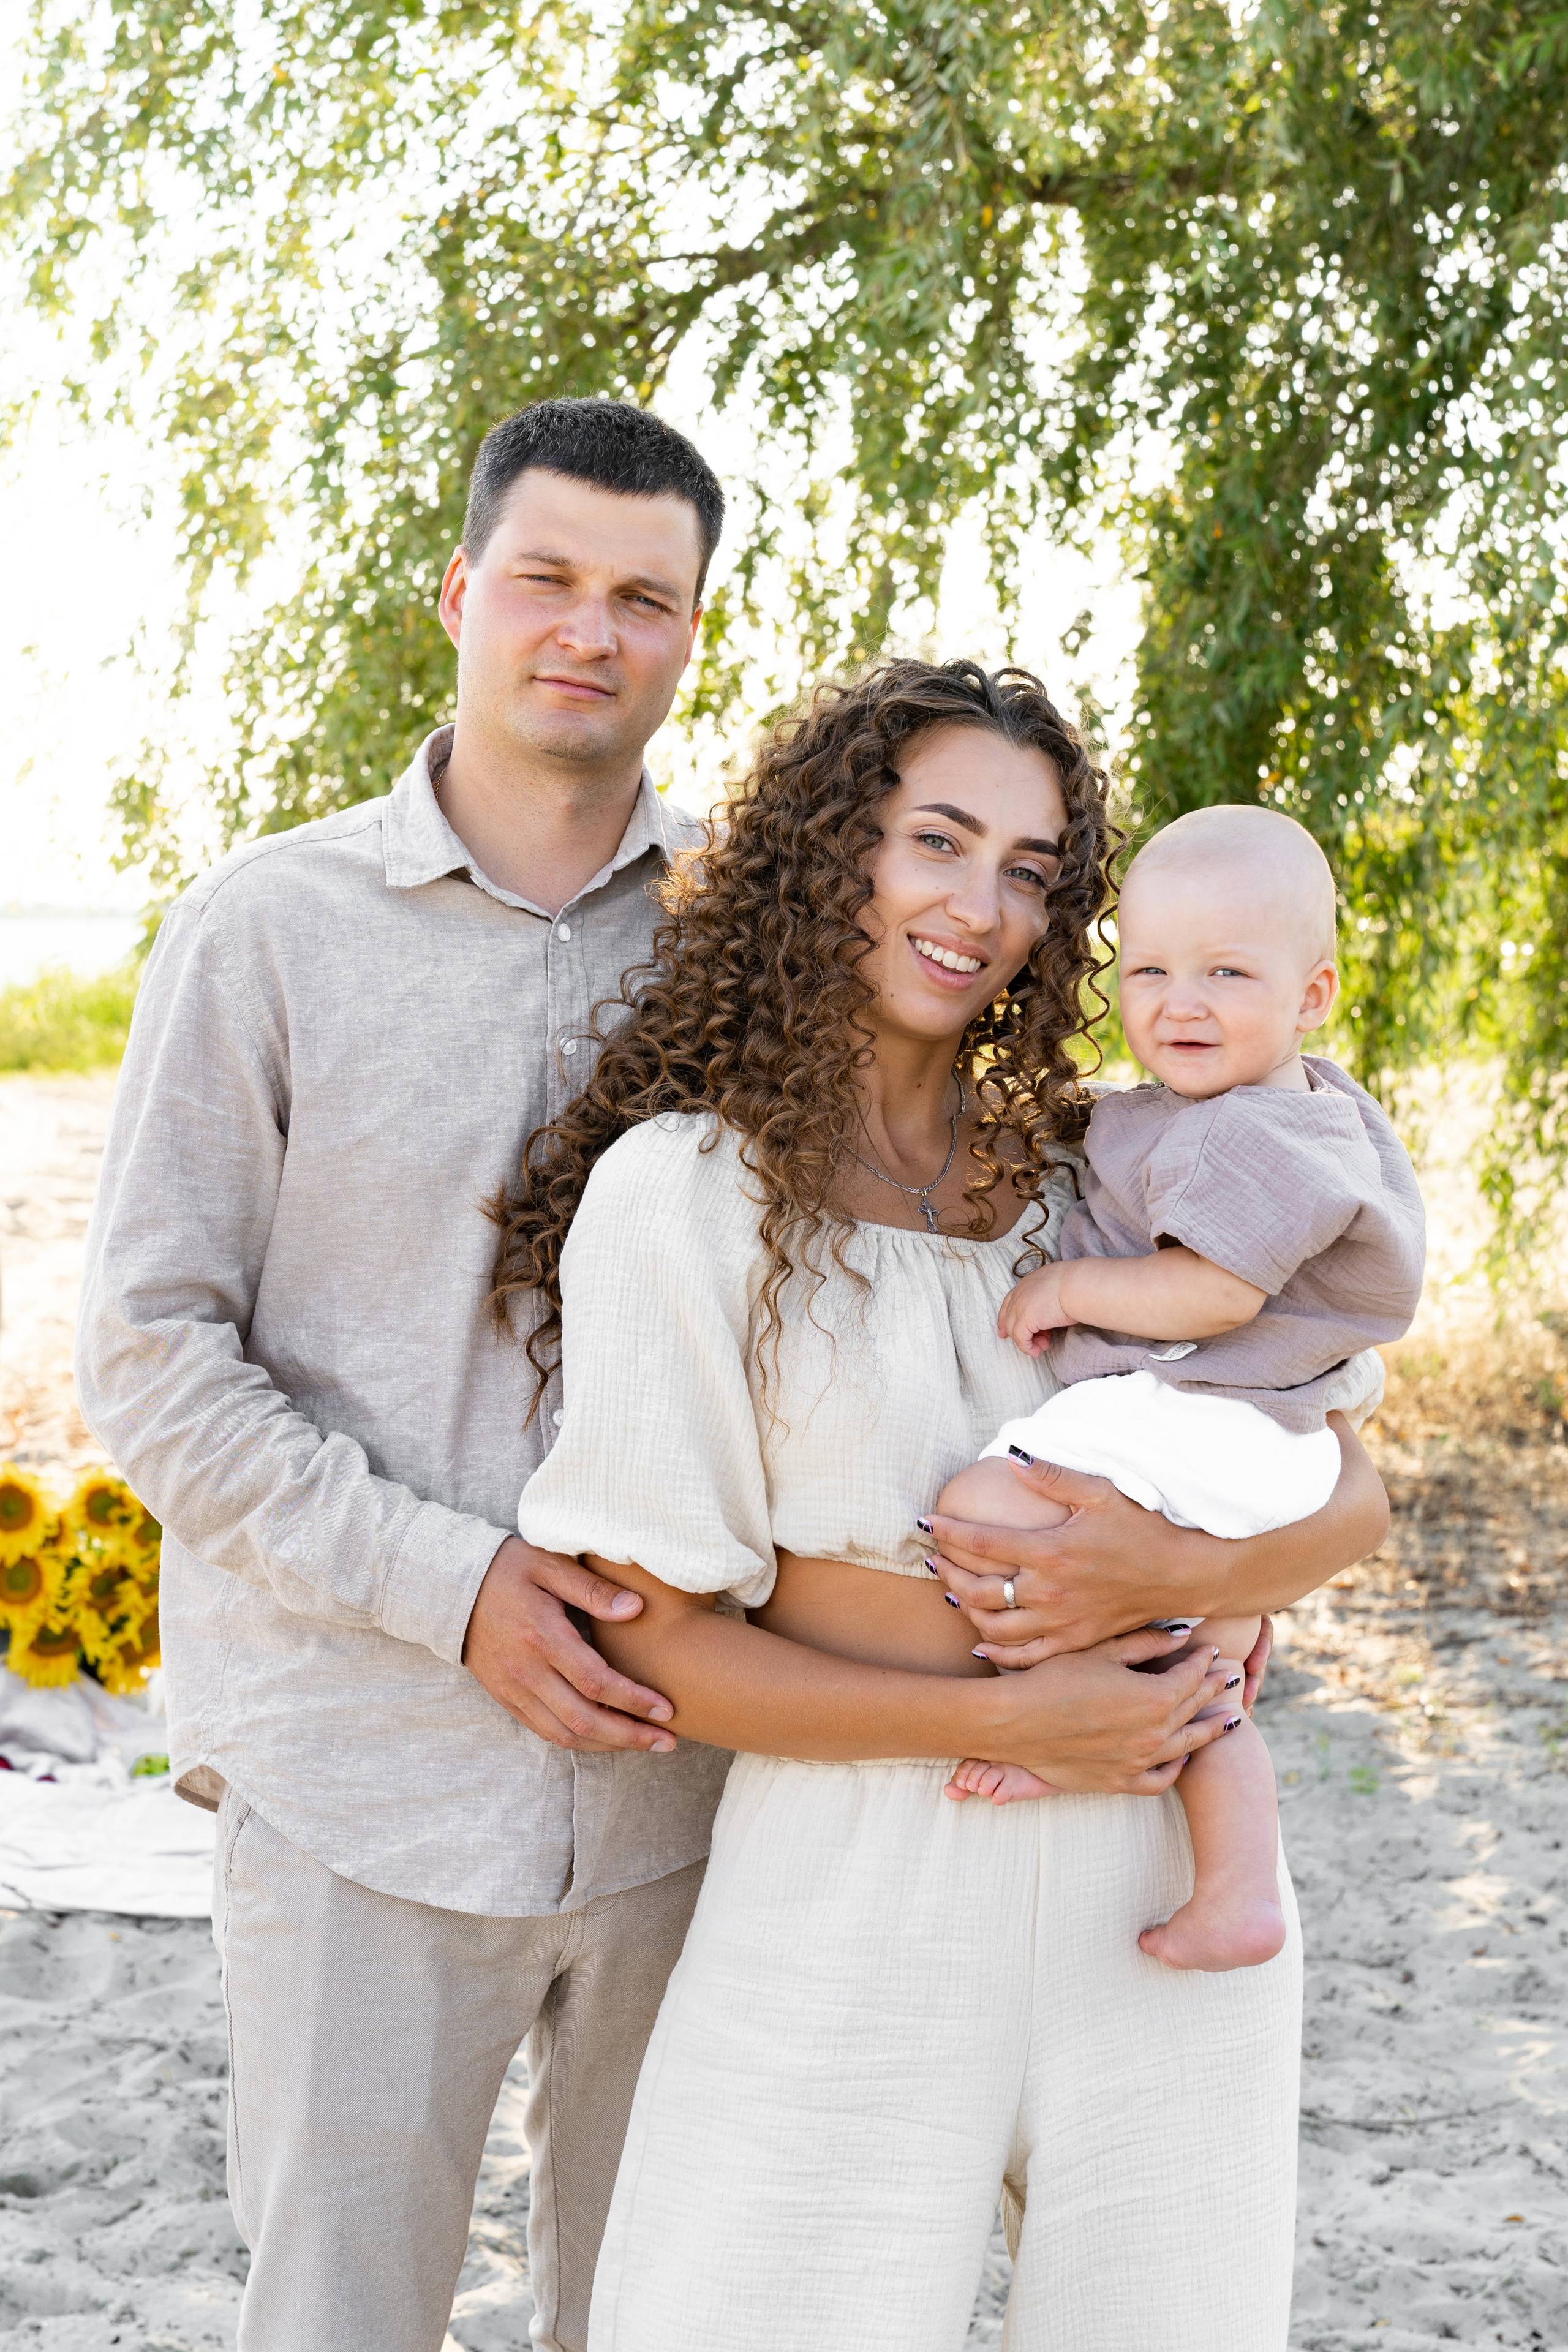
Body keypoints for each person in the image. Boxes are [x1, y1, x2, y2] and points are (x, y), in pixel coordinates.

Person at [500, 660, 1391, 2352]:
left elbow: (1355, 1490)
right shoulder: (683, 1196)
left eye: (1036, 870)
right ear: (834, 853)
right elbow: (659, 1650)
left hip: (1158, 1866)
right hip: (850, 1885)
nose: (981, 907)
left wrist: (1163, 1568)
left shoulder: (1109, 1173)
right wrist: (1014, 1714)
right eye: (938, 841)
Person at [75, 398, 739, 2352]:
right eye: (546, 578)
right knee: (343, 2319)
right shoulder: (264, 933)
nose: (588, 632)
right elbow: (152, 1350)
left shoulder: (753, 952)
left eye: (646, 597)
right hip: (357, 1772)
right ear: (461, 593)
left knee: (667, 2316)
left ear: (694, 635)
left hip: (695, 1796)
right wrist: (449, 1592)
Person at [940, 804, 1425, 1973]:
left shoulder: (1266, 1131)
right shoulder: (1252, 1102)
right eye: (1149, 969)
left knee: (988, 1510)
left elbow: (1213, 1296)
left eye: (1226, 972)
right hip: (1261, 1431)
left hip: (1221, 1416)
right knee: (1200, 1662)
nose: (1180, 1002)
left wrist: (1070, 1292)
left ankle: (1064, 1736)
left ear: (1312, 997)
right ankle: (1240, 1887)